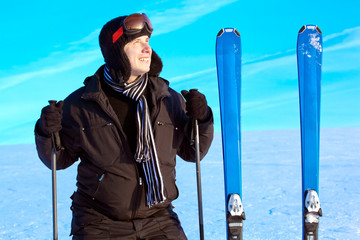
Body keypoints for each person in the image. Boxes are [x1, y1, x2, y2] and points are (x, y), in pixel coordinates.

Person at [35, 13, 214, 239]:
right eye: (137, 43)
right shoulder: (81, 104)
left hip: (158, 218)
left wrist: (202, 119)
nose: (147, 49)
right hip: (99, 220)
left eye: (147, 42)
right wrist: (45, 131)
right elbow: (58, 160)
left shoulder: (169, 99)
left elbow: (193, 151)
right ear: (116, 51)